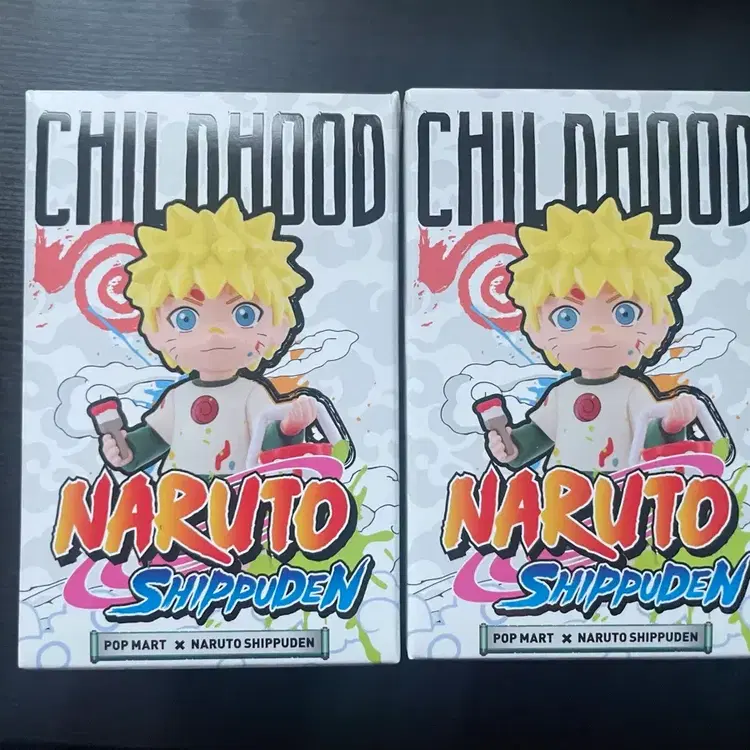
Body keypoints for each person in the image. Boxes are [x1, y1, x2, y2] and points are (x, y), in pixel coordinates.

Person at [99, 196, 319, 478]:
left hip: (237, 493)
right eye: (186, 319)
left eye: (244, 315)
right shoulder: (178, 398)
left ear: (280, 324)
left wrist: (289, 428)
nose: (214, 334)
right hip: (176, 495)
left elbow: (270, 446)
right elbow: (153, 439)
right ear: (155, 331)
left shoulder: (251, 394)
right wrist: (125, 451)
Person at [486, 197, 703, 474]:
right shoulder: (561, 395)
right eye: (567, 317)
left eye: (624, 313)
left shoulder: (633, 392)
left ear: (658, 324)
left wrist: (670, 426)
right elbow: (537, 437)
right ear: (536, 330)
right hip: (562, 492)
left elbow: (651, 445)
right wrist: (510, 447)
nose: (595, 332)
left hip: (621, 490)